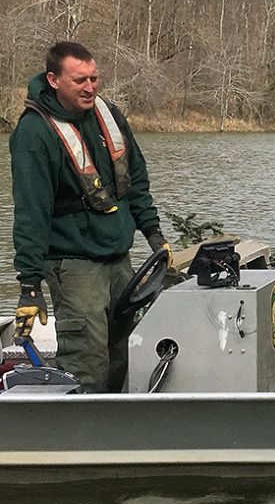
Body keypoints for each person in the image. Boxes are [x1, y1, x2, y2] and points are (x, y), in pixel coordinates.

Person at [9, 41, 171, 393]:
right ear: (53, 80)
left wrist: (154, 234)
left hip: (118, 259)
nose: (90, 87)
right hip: (73, 264)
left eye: (94, 78)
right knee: (87, 360)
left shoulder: (108, 115)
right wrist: (29, 286)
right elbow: (30, 214)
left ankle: (118, 434)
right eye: (79, 80)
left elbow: (136, 180)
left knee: (126, 351)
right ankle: (76, 437)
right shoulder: (35, 133)